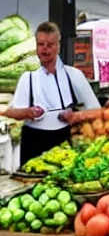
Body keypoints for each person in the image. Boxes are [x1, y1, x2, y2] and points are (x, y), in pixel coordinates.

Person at [6, 21, 100, 166]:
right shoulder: (27, 78)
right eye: (41, 44)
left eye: (50, 44)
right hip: (33, 145)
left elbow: (97, 112)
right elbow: (12, 112)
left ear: (58, 46)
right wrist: (28, 112)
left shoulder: (73, 75)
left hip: (65, 145)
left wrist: (75, 116)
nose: (45, 49)